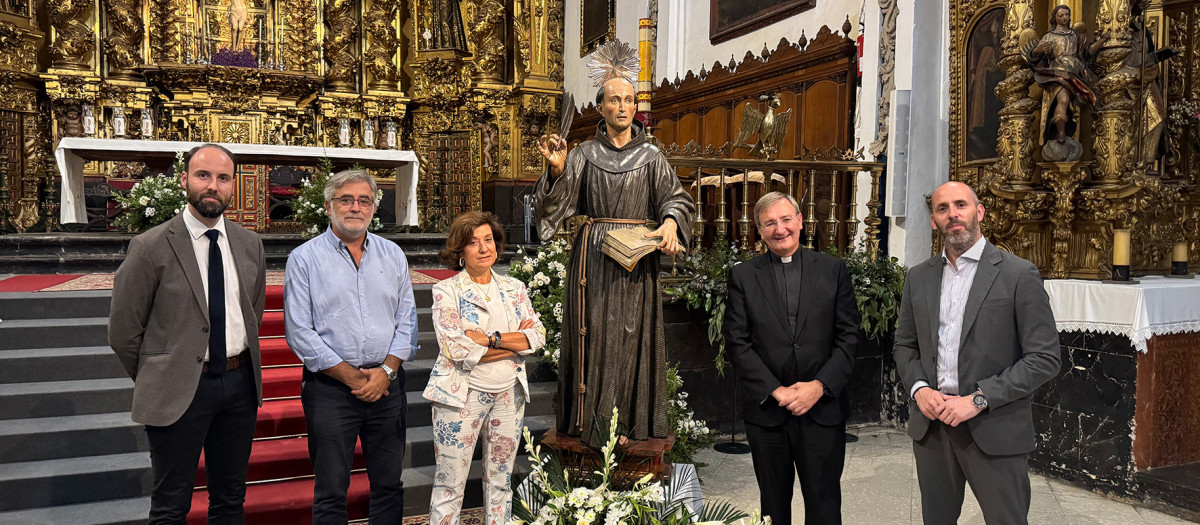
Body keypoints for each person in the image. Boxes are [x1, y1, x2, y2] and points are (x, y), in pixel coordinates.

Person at [534, 39, 695, 448]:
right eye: (614, 100)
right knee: (596, 336)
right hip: (594, 258)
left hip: (637, 256)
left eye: (629, 99)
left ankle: (629, 424)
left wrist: (673, 222)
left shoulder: (652, 156)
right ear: (602, 107)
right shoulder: (584, 154)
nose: (623, 107)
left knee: (631, 335)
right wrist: (556, 172)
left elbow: (675, 198)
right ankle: (593, 425)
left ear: (635, 107)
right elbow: (557, 205)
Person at [108, 143, 267, 524]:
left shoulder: (249, 244)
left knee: (230, 500)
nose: (213, 186)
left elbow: (253, 313)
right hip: (180, 386)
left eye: (223, 178)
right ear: (184, 180)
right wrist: (164, 372)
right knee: (170, 504)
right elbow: (124, 331)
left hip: (239, 384)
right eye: (203, 175)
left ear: (233, 185)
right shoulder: (150, 246)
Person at [892, 182, 1061, 525]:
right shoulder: (918, 278)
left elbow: (1044, 358)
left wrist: (979, 399)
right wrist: (919, 389)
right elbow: (904, 345)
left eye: (961, 205)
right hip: (934, 428)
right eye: (942, 209)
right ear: (933, 221)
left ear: (979, 212)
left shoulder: (1017, 274)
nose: (952, 214)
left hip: (993, 424)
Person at [284, 169, 418, 525]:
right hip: (330, 388)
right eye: (346, 199)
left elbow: (407, 321)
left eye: (363, 200)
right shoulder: (304, 258)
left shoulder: (393, 255)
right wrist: (354, 379)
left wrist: (386, 372)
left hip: (387, 386)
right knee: (331, 490)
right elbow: (299, 331)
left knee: (389, 484)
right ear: (329, 206)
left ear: (374, 208)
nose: (355, 207)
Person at [723, 191, 860, 525]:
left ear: (800, 221)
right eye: (769, 223)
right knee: (773, 507)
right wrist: (777, 391)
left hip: (822, 410)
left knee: (824, 504)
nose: (779, 229)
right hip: (768, 413)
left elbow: (848, 336)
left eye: (786, 219)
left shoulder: (833, 270)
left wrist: (819, 386)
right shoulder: (743, 276)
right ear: (759, 229)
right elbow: (737, 342)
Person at [424, 211, 546, 525]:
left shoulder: (514, 288)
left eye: (488, 240)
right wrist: (511, 345)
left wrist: (490, 340)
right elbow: (456, 348)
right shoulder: (446, 291)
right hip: (460, 396)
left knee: (501, 481)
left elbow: (537, 336)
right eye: (473, 242)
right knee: (450, 484)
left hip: (509, 394)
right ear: (459, 250)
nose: (483, 248)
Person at [1025, 5, 1106, 146]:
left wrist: (1101, 41)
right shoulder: (1049, 36)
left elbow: (1087, 54)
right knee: (1063, 99)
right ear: (1055, 17)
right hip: (1057, 74)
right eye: (1061, 15)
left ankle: (1063, 131)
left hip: (1075, 73)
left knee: (1068, 102)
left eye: (1067, 15)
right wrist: (1036, 50)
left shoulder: (1076, 36)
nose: (1064, 18)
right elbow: (1036, 58)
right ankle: (1061, 132)